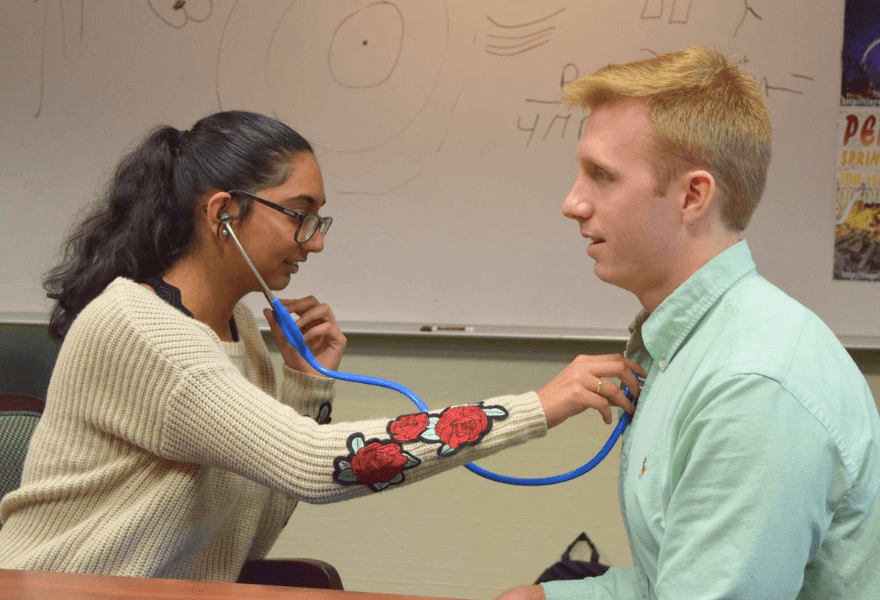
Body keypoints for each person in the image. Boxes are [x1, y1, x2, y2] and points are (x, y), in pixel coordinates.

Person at [0, 111, 645, 582]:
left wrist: (304, 380)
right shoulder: (139, 329)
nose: (314, 242)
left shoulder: (243, 333)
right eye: (299, 214)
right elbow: (318, 465)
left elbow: (263, 514)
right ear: (222, 211)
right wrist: (539, 404)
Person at [498, 46, 880, 600]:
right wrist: (551, 598)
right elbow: (668, 581)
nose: (572, 203)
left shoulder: (750, 385)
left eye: (601, 176)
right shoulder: (689, 342)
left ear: (693, 197)